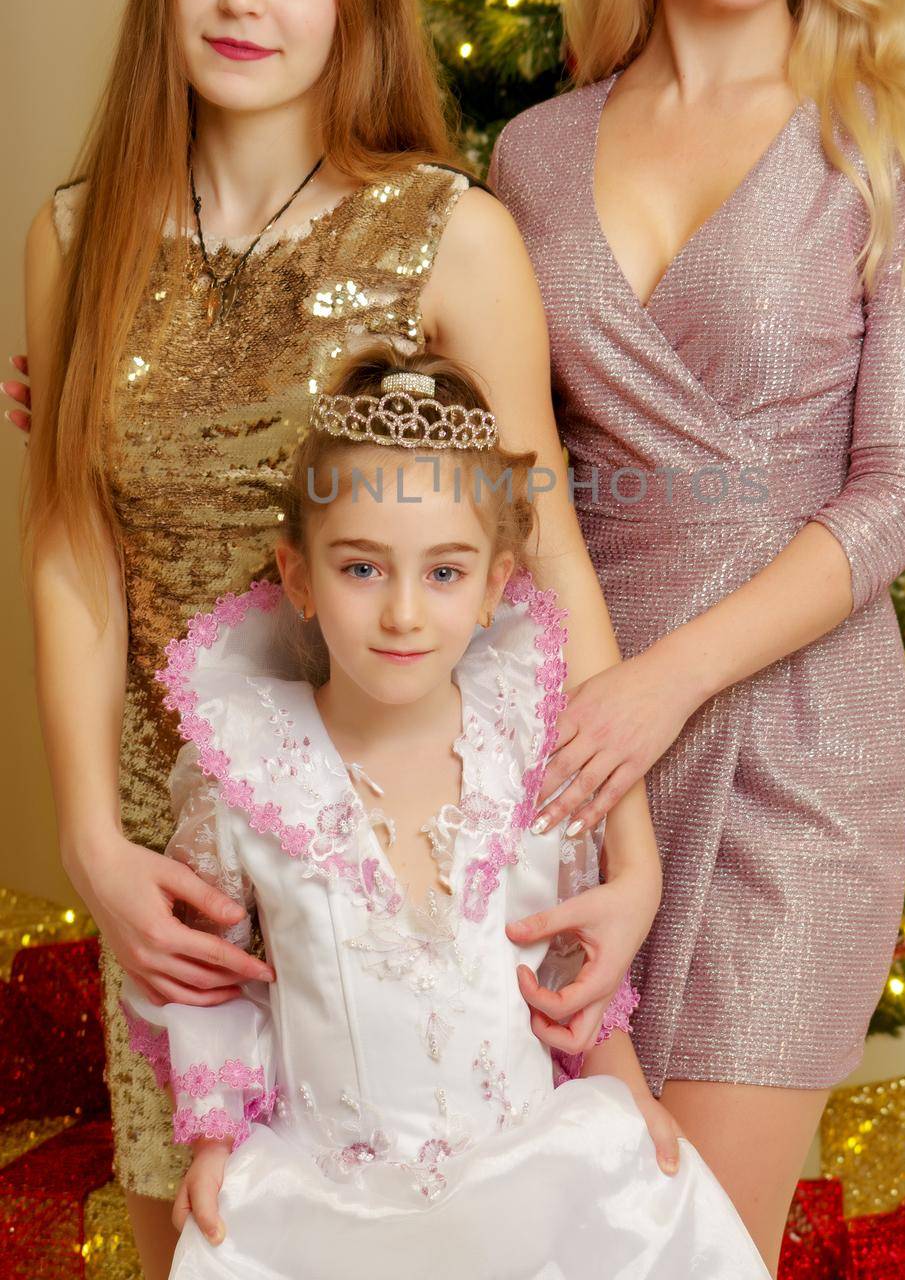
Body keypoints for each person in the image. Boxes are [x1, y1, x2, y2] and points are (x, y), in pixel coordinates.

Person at [17, 0, 658, 1279]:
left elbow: (539, 557)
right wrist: (92, 842)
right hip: (190, 878)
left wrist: (624, 853)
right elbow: (67, 549)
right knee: (216, 1236)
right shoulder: (73, 233)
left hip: (406, 863)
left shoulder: (448, 234)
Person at [486, 0, 905, 1270]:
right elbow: (487, 451)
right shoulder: (531, 153)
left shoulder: (894, 133)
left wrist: (669, 683)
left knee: (695, 1242)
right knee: (556, 1224)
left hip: (790, 743)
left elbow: (901, 489)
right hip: (570, 735)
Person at [119, 345, 771, 1279]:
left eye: (442, 573)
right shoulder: (245, 775)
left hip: (533, 1182)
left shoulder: (529, 755)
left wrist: (627, 1097)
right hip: (325, 1207)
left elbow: (571, 957)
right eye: (360, 570)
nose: (402, 615)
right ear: (296, 576)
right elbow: (212, 981)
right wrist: (216, 1142)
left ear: (495, 584)